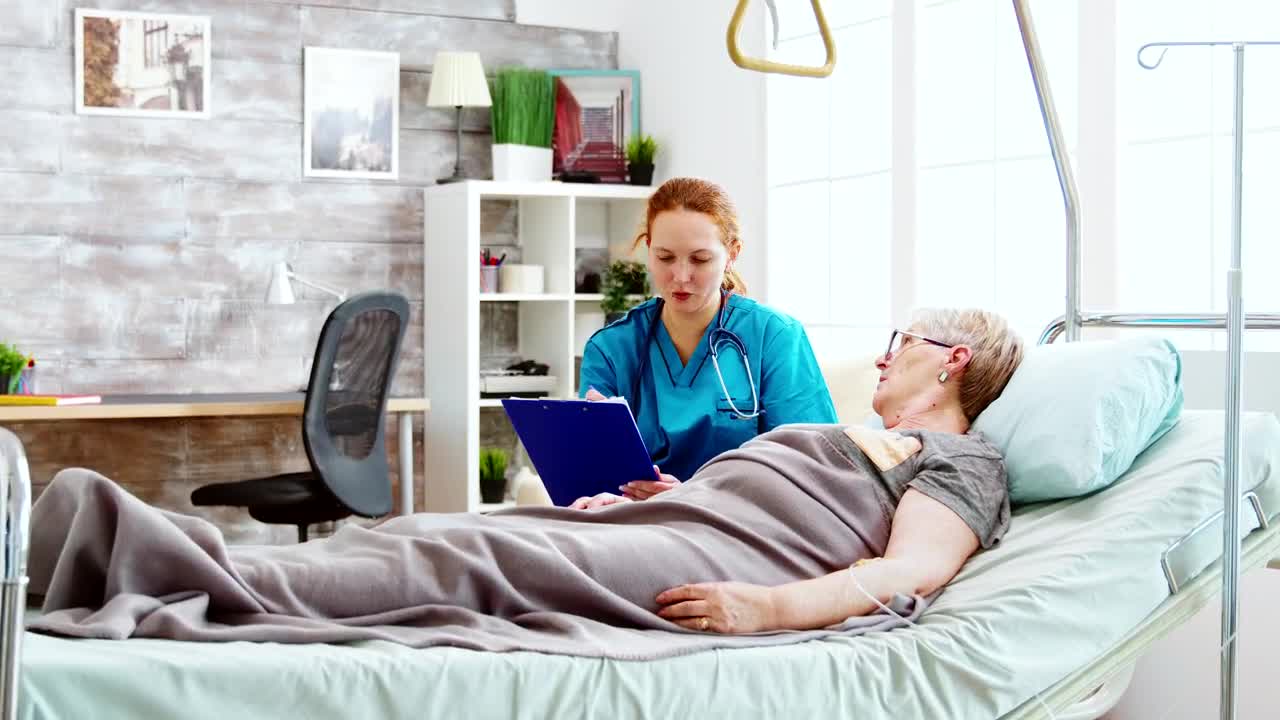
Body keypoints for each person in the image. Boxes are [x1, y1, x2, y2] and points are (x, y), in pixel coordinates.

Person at [28, 309, 1022, 645]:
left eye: (902, 342)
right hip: (671, 521)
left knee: (454, 566)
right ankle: (101, 549)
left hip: (712, 561)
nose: (883, 355)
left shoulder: (962, 459)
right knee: (429, 538)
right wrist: (660, 494)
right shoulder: (846, 429)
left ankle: (117, 547)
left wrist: (762, 611)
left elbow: (910, 574)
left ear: (952, 362)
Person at [577, 177, 836, 504]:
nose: (681, 276)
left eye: (700, 259)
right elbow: (589, 483)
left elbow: (812, 472)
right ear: (648, 251)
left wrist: (690, 496)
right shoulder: (611, 349)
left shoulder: (775, 337)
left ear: (732, 254)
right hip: (630, 527)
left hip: (738, 527)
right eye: (665, 257)